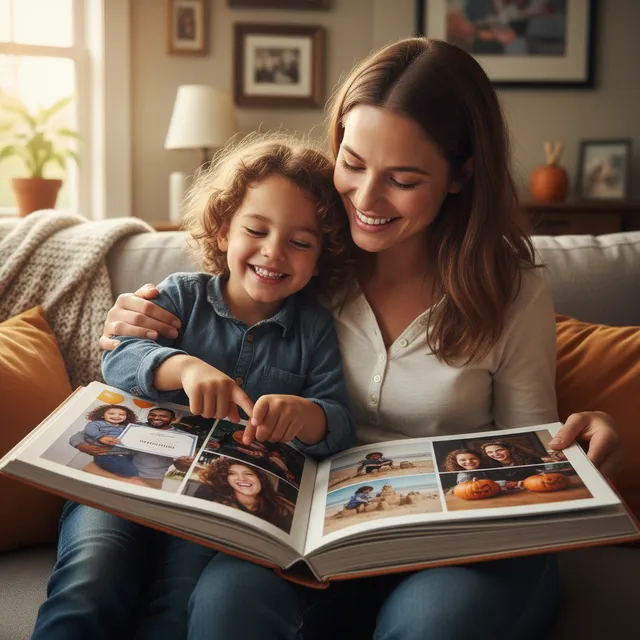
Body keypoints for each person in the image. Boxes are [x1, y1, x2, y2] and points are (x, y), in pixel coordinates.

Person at [98, 37, 621, 640]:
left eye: (402, 179)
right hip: (319, 533)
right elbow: (213, 316)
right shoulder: (307, 262)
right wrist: (136, 328)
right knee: (226, 603)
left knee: (431, 624)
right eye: (352, 164)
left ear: (461, 173)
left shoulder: (512, 291)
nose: (366, 201)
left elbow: (533, 442)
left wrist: (586, 436)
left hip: (461, 542)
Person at [32, 133, 356, 640]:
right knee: (90, 581)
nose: (274, 252)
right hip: (118, 484)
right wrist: (182, 367)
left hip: (213, 499)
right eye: (257, 229)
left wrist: (306, 415)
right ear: (224, 230)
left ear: (321, 256)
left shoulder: (313, 330)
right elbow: (120, 359)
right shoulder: (181, 295)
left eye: (300, 242)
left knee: (177, 603)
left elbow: (337, 419)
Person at [194, 458, 294, 531]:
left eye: (249, 474)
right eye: (232, 474)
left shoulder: (282, 504)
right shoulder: (220, 509)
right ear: (225, 480)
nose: (242, 478)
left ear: (260, 479)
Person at [80, 404, 139, 478]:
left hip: (126, 454)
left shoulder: (124, 427)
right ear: (102, 415)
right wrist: (100, 437)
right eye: (111, 413)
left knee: (134, 469)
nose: (116, 416)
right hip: (108, 455)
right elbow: (89, 430)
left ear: (126, 417)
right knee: (130, 472)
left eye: (121, 414)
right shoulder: (97, 423)